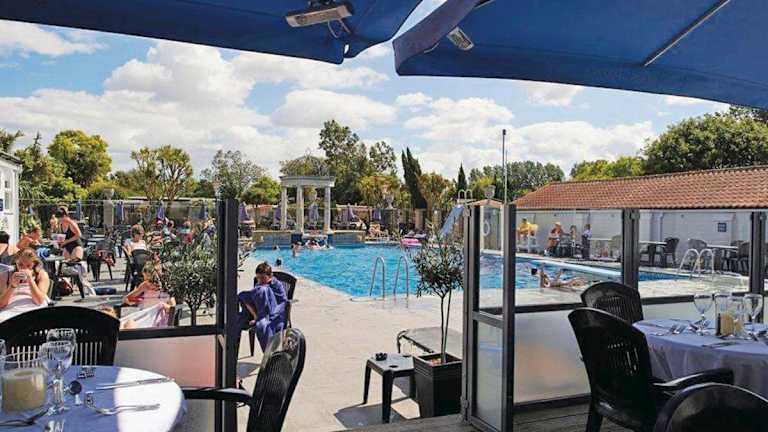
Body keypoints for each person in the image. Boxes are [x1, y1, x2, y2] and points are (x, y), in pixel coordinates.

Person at [239, 262, 285, 351]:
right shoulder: (259, 284)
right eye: (258, 278)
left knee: (262, 326)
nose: (260, 281)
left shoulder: (277, 285)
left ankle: (270, 352)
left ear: (270, 276)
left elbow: (283, 302)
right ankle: (257, 317)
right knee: (242, 295)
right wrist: (255, 315)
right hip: (259, 312)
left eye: (263, 278)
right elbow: (253, 298)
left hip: (274, 313)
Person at [0, 248, 50, 322]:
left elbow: (38, 301)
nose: (24, 268)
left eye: (28, 265)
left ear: (34, 264)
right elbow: (2, 304)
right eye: (20, 264)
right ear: (16, 262)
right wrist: (12, 285)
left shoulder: (41, 275)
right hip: (11, 310)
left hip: (34, 309)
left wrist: (30, 280)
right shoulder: (5, 275)